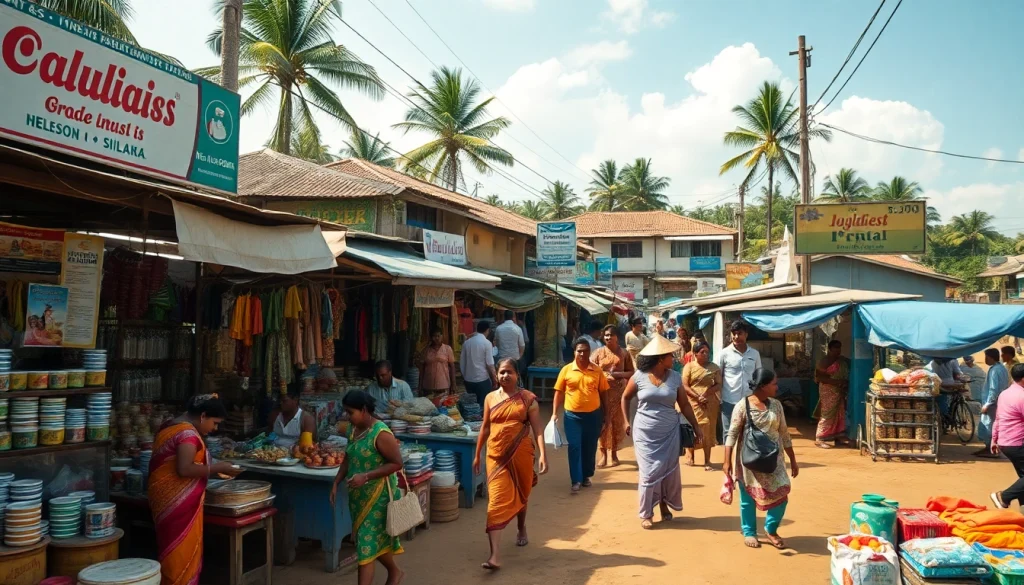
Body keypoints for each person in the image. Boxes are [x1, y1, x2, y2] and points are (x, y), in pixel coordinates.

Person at [149, 394, 241, 585]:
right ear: (203, 415)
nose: (214, 429)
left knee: (171, 548)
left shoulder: (170, 424)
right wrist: (219, 468)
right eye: (214, 423)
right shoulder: (187, 434)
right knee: (179, 553)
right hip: (176, 501)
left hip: (164, 496)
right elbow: (185, 469)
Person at [473, 359, 548, 571]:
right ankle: (495, 555)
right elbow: (485, 428)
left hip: (521, 454)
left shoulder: (527, 399)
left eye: (510, 372)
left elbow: (538, 430)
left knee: (522, 493)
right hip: (495, 456)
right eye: (502, 372)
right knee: (495, 501)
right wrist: (478, 454)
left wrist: (543, 454)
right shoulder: (489, 398)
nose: (506, 376)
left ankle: (521, 527)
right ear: (496, 375)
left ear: (517, 375)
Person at [621, 335, 702, 529]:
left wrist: (696, 426)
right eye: (670, 356)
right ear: (660, 358)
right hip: (644, 433)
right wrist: (625, 421)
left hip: (669, 432)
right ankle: (646, 513)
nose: (673, 359)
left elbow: (684, 405)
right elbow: (625, 397)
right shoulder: (638, 376)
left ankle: (665, 506)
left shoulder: (675, 377)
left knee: (667, 471)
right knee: (648, 472)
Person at [330, 391, 405, 585]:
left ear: (364, 410)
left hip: (378, 498)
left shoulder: (381, 433)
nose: (347, 416)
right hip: (358, 497)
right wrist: (337, 481)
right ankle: (394, 571)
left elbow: (397, 463)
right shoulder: (352, 430)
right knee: (370, 542)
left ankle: (392, 572)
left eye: (350, 412)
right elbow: (348, 456)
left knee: (364, 546)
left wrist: (366, 476)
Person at [723, 369, 798, 550]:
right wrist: (726, 461)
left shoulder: (777, 406)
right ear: (763, 386)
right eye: (774, 383)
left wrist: (793, 460)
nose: (777, 387)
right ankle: (749, 532)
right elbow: (731, 434)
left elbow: (785, 434)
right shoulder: (742, 406)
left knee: (782, 493)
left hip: (774, 460)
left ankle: (770, 529)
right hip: (749, 461)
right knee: (747, 498)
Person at [552, 337, 609, 494]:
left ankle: (586, 476)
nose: (582, 354)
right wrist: (554, 413)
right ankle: (576, 479)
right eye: (579, 351)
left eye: (585, 351)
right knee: (575, 446)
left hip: (593, 416)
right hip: (572, 416)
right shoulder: (566, 370)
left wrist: (607, 415)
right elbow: (559, 392)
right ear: (574, 352)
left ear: (589, 352)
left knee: (590, 447)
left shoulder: (597, 371)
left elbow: (604, 394)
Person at [591, 325, 635, 468]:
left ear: (617, 337)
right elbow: (590, 370)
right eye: (606, 335)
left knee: (616, 423)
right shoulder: (598, 353)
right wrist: (603, 375)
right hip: (602, 393)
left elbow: (631, 372)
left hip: (618, 393)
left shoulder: (624, 353)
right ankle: (603, 454)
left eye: (611, 335)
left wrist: (618, 375)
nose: (608, 338)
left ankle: (614, 454)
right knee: (603, 422)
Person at [716, 320, 762, 438]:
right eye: (734, 333)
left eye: (740, 333)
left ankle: (742, 457)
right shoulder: (724, 354)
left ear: (746, 334)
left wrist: (759, 398)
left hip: (749, 401)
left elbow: (758, 376)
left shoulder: (755, 354)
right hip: (728, 400)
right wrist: (719, 398)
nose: (736, 337)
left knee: (748, 433)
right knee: (729, 433)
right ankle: (728, 457)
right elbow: (718, 376)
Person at [682, 340, 721, 470]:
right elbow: (685, 385)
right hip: (693, 403)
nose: (705, 354)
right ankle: (691, 457)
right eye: (702, 352)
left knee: (708, 430)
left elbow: (719, 384)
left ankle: (707, 461)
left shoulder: (714, 367)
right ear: (695, 354)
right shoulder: (689, 367)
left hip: (710, 403)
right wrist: (698, 397)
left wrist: (707, 393)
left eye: (707, 352)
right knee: (694, 428)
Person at [990, 364, 1024, 510]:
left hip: (1005, 442)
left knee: (1023, 478)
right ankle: (1004, 496)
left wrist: (994, 439)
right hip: (1017, 442)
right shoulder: (1021, 396)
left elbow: (998, 418)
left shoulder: (1005, 393)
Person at [813, 340, 851, 449]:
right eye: (835, 348)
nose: (838, 351)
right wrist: (838, 382)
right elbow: (819, 378)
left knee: (840, 412)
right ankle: (820, 438)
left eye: (839, 348)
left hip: (839, 391)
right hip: (828, 390)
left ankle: (838, 435)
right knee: (827, 413)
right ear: (829, 349)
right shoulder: (824, 361)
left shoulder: (841, 360)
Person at [977, 348, 1010, 458]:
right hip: (999, 402)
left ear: (991, 357)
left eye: (986, 357)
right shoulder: (1001, 368)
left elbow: (993, 389)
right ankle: (989, 448)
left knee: (988, 426)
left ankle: (991, 449)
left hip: (992, 403)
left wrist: (987, 404)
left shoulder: (995, 370)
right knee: (993, 426)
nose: (985, 359)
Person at [268, 382, 317, 449]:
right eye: (279, 400)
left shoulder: (306, 419)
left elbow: (307, 446)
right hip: (273, 453)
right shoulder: (274, 415)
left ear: (295, 400)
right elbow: (269, 434)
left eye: (284, 401)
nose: (280, 403)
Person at [461, 321, 497, 405]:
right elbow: (490, 364)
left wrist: (465, 376)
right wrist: (494, 379)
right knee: (483, 405)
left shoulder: (466, 343)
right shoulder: (487, 343)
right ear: (487, 330)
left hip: (468, 380)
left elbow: (462, 362)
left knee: (472, 407)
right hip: (482, 380)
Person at [418, 329, 456, 395]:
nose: (436, 338)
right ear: (431, 338)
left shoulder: (447, 349)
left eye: (438, 336)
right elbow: (422, 368)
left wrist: (454, 384)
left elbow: (452, 367)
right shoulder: (426, 350)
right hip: (428, 386)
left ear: (442, 336)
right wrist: (420, 385)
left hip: (444, 385)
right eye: (434, 336)